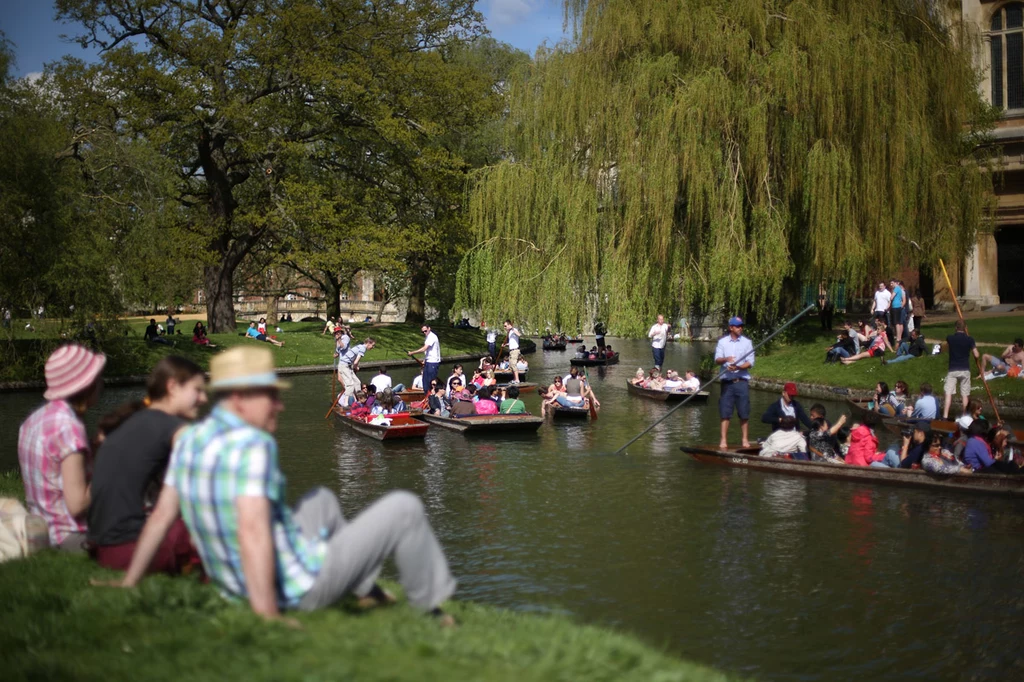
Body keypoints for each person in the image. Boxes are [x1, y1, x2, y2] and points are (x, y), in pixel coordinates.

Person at [99, 347, 457, 625]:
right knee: (404, 508)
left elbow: (161, 515)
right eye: (269, 396)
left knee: (321, 500)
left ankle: (367, 589)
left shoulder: (191, 439)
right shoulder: (252, 445)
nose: (279, 405)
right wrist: (268, 614)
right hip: (291, 587)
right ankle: (431, 612)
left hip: (232, 582)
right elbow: (254, 531)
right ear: (239, 399)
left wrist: (130, 581)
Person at [87, 357, 206, 573]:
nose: (204, 398)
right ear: (172, 387)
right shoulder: (177, 431)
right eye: (197, 390)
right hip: (131, 549)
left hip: (103, 549)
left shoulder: (128, 421)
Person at [18, 344, 106, 551]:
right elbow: (77, 505)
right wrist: (109, 464)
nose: (102, 383)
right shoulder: (69, 428)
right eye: (98, 378)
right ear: (87, 386)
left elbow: (53, 473)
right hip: (69, 536)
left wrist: (95, 450)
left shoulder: (34, 419)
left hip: (40, 526)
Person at [715, 316, 754, 449]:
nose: (740, 328)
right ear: (731, 327)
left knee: (744, 412)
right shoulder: (722, 342)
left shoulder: (747, 343)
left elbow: (750, 362)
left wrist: (738, 367)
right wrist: (726, 360)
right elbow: (717, 359)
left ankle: (744, 440)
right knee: (725, 412)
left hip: (741, 381)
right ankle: (723, 440)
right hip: (727, 381)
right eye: (738, 326)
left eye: (741, 326)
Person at [942, 320, 979, 419]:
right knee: (964, 395)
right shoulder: (970, 339)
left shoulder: (950, 338)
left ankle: (945, 416)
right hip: (965, 369)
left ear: (955, 328)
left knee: (948, 393)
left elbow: (944, 347)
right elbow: (976, 354)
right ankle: (965, 416)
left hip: (953, 369)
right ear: (965, 328)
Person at [338, 337, 375, 402]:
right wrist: (355, 367)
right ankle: (346, 403)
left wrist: (355, 366)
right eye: (373, 345)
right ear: (369, 343)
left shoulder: (361, 346)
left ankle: (359, 400)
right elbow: (356, 362)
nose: (373, 347)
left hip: (348, 366)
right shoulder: (362, 349)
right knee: (350, 384)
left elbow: (355, 360)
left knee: (357, 382)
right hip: (344, 365)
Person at [408, 324, 441, 391]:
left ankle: (432, 396)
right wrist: (425, 360)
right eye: (422, 332)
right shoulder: (427, 337)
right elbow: (428, 352)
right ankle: (427, 397)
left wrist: (412, 353)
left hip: (433, 362)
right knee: (425, 381)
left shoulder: (432, 337)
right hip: (428, 361)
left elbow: (424, 349)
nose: (424, 333)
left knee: (430, 381)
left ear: (429, 328)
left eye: (425, 331)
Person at [501, 320, 524, 384]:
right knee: (511, 365)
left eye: (505, 326)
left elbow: (519, 335)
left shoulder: (514, 330)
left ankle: (517, 380)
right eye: (504, 326)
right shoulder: (509, 332)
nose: (504, 327)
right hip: (511, 350)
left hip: (515, 350)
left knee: (513, 364)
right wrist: (505, 344)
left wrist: (512, 329)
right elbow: (512, 342)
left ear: (509, 325)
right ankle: (514, 379)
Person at [888, 279, 905, 344]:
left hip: (895, 306)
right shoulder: (900, 289)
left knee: (896, 323)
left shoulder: (896, 288)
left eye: (892, 283)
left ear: (895, 283)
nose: (891, 285)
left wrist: (891, 295)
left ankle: (898, 337)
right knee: (900, 323)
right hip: (899, 306)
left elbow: (891, 297)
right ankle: (899, 336)